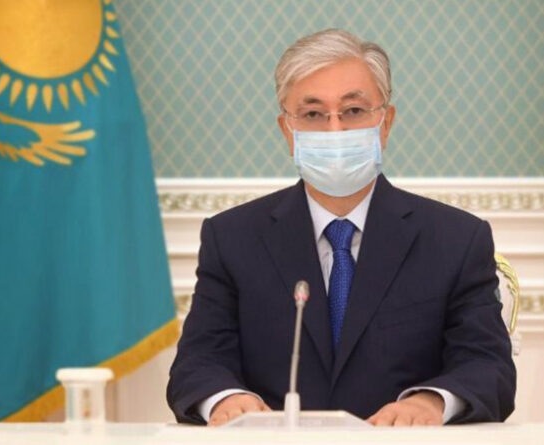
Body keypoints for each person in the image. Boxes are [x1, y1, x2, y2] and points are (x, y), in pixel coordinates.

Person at [167, 29, 516, 427]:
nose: (335, 130)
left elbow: (488, 368)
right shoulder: (232, 238)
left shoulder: (456, 240)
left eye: (353, 111)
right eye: (313, 115)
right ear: (287, 130)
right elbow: (197, 364)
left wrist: (431, 403)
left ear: (385, 123)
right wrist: (228, 400)